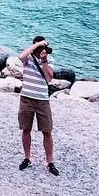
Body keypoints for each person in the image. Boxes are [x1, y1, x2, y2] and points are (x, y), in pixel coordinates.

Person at [18, 35, 59, 175]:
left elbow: (49, 77)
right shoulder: (28, 58)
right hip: (26, 98)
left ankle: (49, 161)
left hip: (42, 99)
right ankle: (27, 157)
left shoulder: (48, 59)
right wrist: (36, 45)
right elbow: (20, 56)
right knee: (26, 129)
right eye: (38, 47)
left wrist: (44, 61)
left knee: (47, 131)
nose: (40, 49)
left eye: (43, 47)